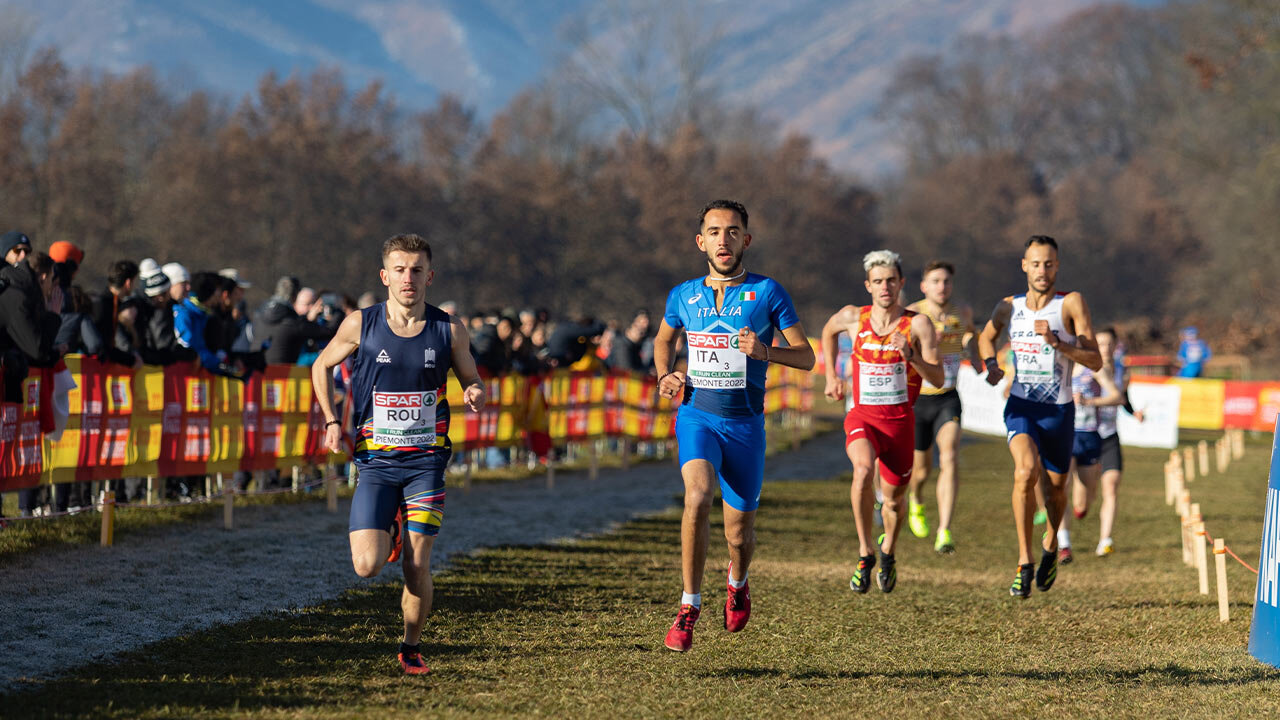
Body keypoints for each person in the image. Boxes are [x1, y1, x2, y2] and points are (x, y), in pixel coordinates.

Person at [311, 233, 485, 676]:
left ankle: (410, 646)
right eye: (400, 270)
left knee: (417, 564)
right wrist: (331, 421)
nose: (409, 278)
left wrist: (474, 390)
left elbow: (471, 376)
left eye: (417, 270)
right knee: (367, 566)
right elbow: (321, 365)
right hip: (376, 464)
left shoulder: (449, 329)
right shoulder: (360, 324)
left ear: (430, 276)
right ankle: (391, 525)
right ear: (385, 276)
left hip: (426, 462)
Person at [653, 199, 814, 652]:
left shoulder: (768, 292)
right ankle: (688, 606)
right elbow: (664, 339)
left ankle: (738, 581)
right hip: (697, 416)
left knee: (738, 536)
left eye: (732, 231)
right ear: (700, 241)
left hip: (745, 426)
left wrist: (766, 352)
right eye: (714, 232)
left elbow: (807, 357)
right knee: (697, 495)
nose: (723, 240)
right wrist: (664, 374)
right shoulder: (683, 295)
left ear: (746, 239)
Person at [978, 235, 1103, 598]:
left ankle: (1050, 543)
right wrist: (991, 365)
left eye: (1048, 264)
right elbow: (985, 338)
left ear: (1057, 266)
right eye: (1035, 264)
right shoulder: (1009, 306)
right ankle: (1024, 561)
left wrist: (1059, 344)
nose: (1042, 271)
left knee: (1057, 491)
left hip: (1059, 412)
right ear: (1024, 266)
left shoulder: (1071, 304)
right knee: (1024, 472)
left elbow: (1095, 360)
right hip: (1022, 406)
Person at [822, 250, 943, 595]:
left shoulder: (918, 324)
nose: (885, 287)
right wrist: (831, 375)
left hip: (900, 424)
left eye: (890, 280)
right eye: (878, 281)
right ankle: (865, 553)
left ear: (901, 283)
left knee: (893, 501)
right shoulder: (853, 317)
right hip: (863, 417)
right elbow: (828, 331)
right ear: (868, 286)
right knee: (862, 471)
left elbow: (937, 378)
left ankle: (888, 549)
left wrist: (912, 355)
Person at [905, 260, 981, 554]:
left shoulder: (962, 312)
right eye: (936, 281)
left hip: (948, 397)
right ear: (924, 286)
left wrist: (976, 358)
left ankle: (944, 530)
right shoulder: (913, 313)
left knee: (949, 456)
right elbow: (901, 351)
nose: (942, 286)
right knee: (921, 471)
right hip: (919, 399)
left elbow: (972, 333)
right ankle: (916, 499)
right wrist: (925, 344)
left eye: (946, 281)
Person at [1055, 358, 1121, 564]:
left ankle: (1081, 506)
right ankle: (1064, 544)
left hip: (1089, 437)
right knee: (1061, 488)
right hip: (1065, 436)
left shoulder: (1093, 369)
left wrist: (1089, 401)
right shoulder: (1057, 366)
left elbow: (1116, 396)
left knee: (1083, 502)